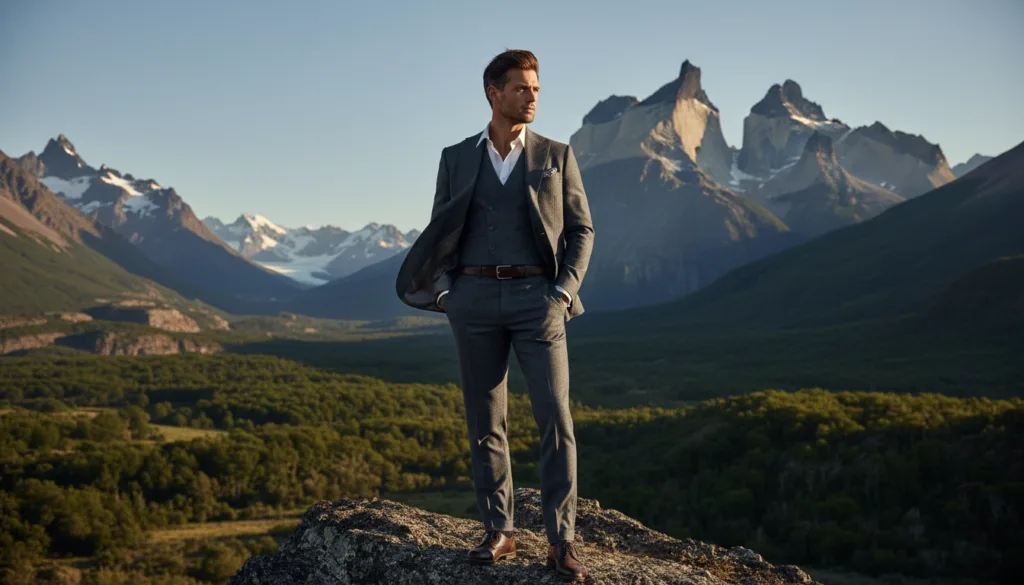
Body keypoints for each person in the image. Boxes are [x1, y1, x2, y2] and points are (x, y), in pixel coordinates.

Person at [395, 48, 595, 581]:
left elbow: (581, 231)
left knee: (555, 417)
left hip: (539, 302)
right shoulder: (456, 157)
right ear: (493, 93)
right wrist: (445, 294)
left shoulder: (556, 153)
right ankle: (500, 531)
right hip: (473, 301)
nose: (532, 97)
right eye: (522, 89)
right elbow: (439, 233)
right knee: (486, 422)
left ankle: (561, 541)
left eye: (536, 89)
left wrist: (563, 291)